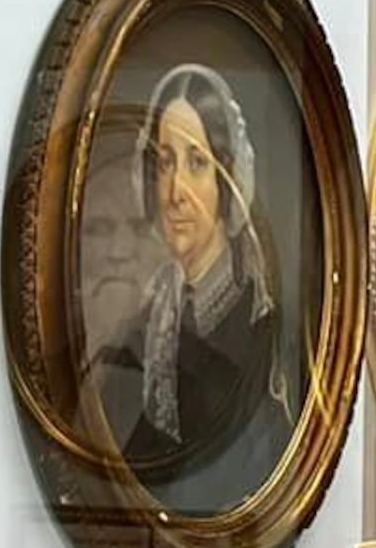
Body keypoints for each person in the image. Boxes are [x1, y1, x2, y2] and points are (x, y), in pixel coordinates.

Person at [110, 60, 297, 507]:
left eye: (197, 163)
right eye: (166, 162)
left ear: (226, 180)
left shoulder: (255, 321)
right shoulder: (149, 320)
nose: (175, 190)